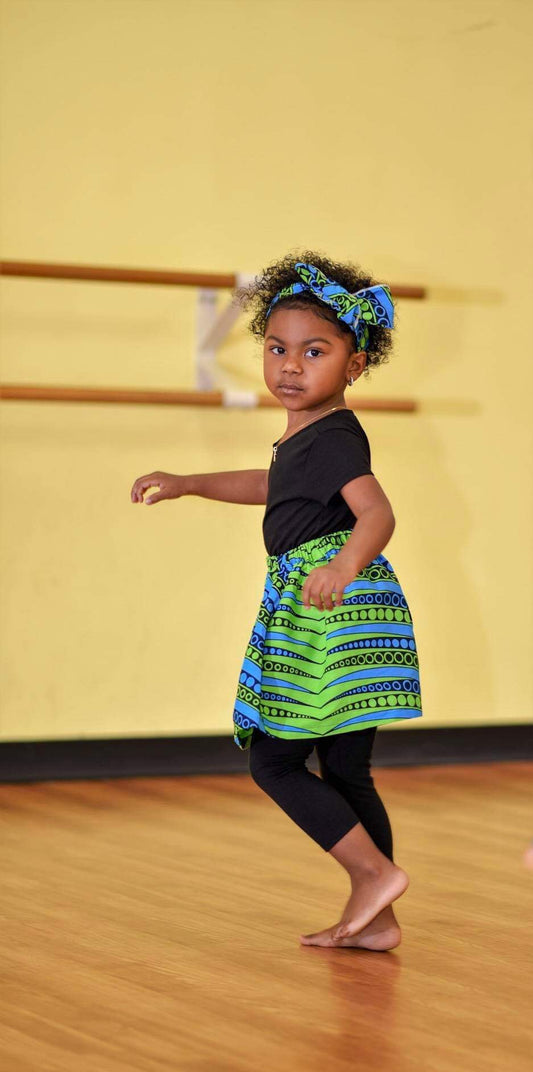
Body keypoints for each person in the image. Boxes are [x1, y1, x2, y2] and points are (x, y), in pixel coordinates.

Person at [131, 251, 423, 952]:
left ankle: (370, 873)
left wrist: (347, 561)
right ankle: (376, 912)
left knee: (273, 759)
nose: (290, 366)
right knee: (345, 767)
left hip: (333, 609)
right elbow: (274, 487)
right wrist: (190, 480)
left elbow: (377, 512)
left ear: (353, 366)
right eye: (276, 348)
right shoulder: (308, 435)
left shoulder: (332, 438)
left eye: (313, 352)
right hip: (345, 608)